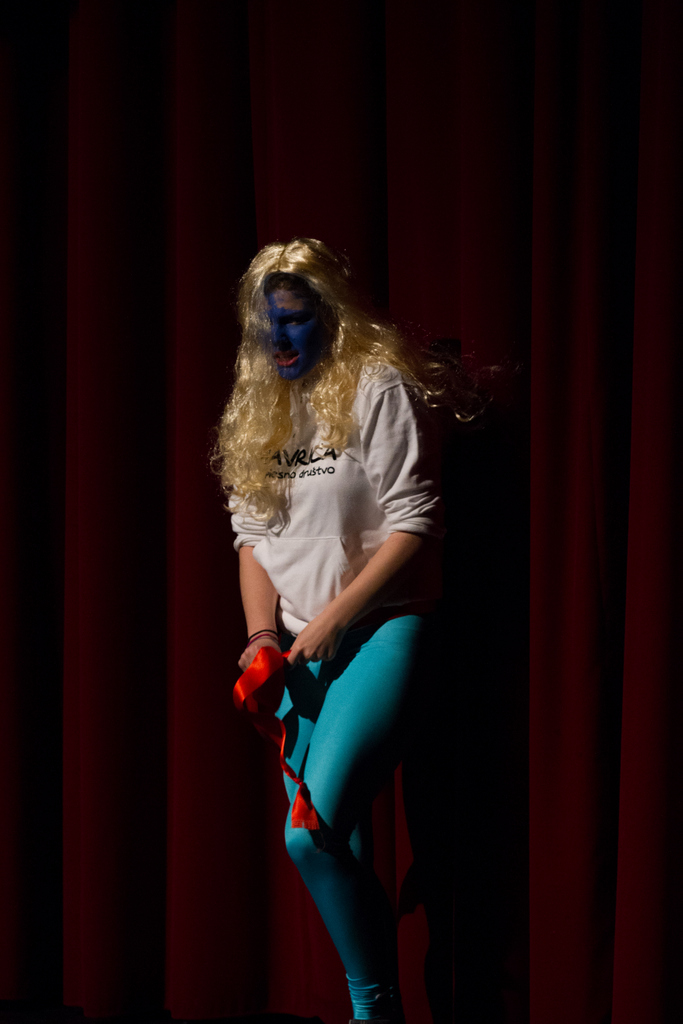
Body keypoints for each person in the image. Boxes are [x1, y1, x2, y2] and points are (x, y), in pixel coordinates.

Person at [213, 238, 480, 1024]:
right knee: (342, 847)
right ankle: (379, 1009)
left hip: (381, 633)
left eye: (296, 320)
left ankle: (373, 1008)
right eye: (268, 324)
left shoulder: (377, 385)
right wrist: (261, 636)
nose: (280, 338)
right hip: (297, 652)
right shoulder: (259, 406)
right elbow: (251, 539)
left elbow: (415, 523)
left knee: (310, 835)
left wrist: (335, 618)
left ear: (331, 317)